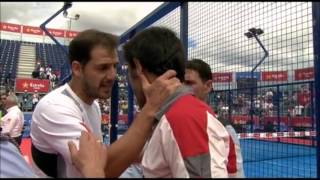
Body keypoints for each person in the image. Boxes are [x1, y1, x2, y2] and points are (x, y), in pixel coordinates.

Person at [70, 27, 230, 178]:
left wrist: (94, 171)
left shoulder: (183, 117)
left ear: (139, 70)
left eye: (130, 75)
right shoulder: (172, 113)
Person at [30, 29, 181, 178]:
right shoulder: (54, 107)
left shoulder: (93, 105)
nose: (112, 76)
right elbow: (101, 169)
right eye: (103, 67)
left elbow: (100, 156)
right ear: (77, 68)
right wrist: (151, 107)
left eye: (114, 66)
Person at [184, 59, 245, 178]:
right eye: (183, 84)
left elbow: (236, 174)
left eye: (190, 83)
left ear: (208, 86)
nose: (184, 89)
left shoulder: (225, 129)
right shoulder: (170, 123)